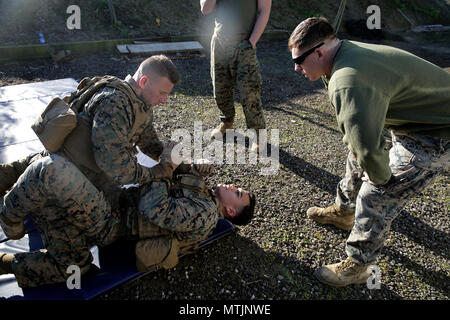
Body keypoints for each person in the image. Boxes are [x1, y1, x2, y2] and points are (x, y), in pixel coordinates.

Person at [288, 17, 450, 287]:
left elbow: (369, 151)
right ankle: (344, 212)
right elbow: (359, 140)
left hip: (437, 132)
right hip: (413, 117)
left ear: (319, 52)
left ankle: (358, 265)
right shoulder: (341, 54)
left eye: (300, 60)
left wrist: (379, 176)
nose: (296, 68)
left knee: (377, 191)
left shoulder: (347, 80)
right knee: (357, 155)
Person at [0, 151, 256, 288]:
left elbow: (152, 207)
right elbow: (175, 179)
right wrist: (189, 167)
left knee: (54, 168)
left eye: (237, 193)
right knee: (67, 153)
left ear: (230, 211)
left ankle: (6, 249)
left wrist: (163, 170)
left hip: (111, 222)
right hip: (115, 201)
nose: (233, 185)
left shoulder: (205, 215)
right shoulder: (205, 196)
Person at [0, 55, 181, 241]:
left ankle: (10, 175)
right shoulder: (115, 104)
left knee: (34, 165)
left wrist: (177, 162)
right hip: (64, 173)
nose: (164, 100)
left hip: (74, 165)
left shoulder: (140, 105)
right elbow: (116, 168)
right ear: (144, 81)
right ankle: (8, 213)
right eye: (162, 93)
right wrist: (156, 173)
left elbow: (150, 143)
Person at [200, 0, 271, 151]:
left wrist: (252, 41)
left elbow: (264, 9)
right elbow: (205, 9)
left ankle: (258, 133)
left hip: (244, 43)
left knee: (249, 91)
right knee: (220, 88)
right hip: (220, 43)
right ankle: (226, 121)